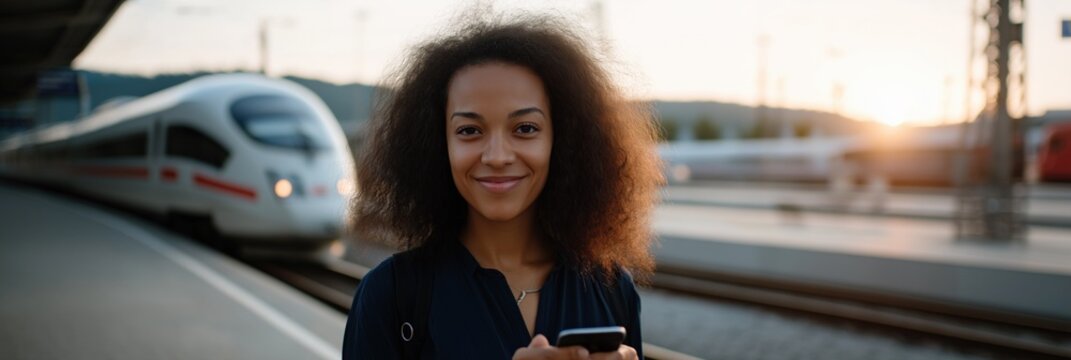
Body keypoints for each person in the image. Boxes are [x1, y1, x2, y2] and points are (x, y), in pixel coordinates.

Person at [343, 12, 662, 360]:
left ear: (565, 140)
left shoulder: (613, 289)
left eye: (525, 128)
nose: (496, 156)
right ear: (438, 144)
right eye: (469, 131)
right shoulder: (392, 296)